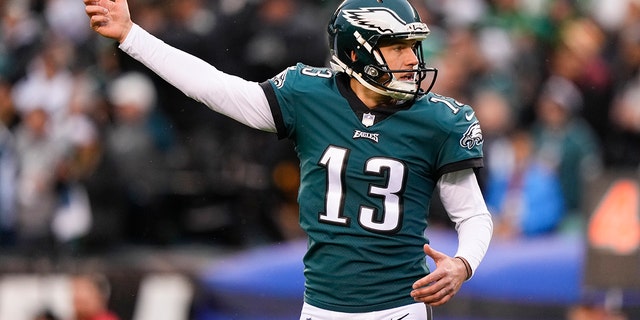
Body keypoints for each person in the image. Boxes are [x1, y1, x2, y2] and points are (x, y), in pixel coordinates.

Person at [83, 0, 493, 318]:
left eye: (413, 46)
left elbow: (473, 215)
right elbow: (212, 87)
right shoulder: (309, 97)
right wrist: (132, 35)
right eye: (397, 47)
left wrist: (463, 263)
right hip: (321, 308)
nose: (412, 60)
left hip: (397, 307)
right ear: (355, 54)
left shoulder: (440, 120)